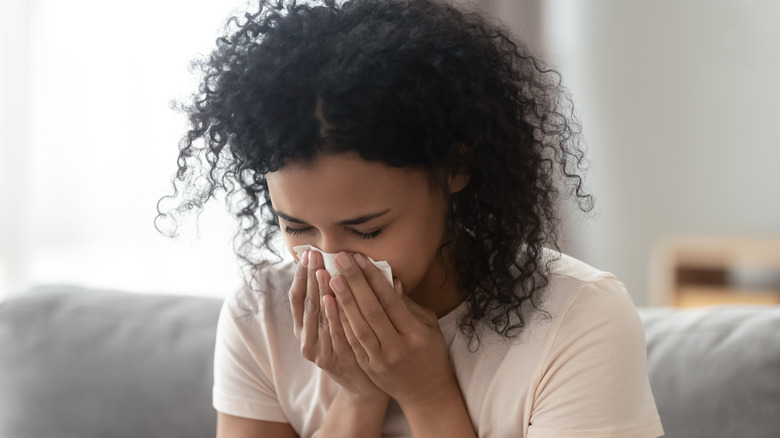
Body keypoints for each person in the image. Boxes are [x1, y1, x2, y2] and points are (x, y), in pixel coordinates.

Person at [157, 0, 664, 436]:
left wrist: (428, 395)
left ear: (456, 169)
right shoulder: (260, 316)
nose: (332, 262)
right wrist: (357, 397)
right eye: (297, 228)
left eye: (367, 229)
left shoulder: (577, 319)